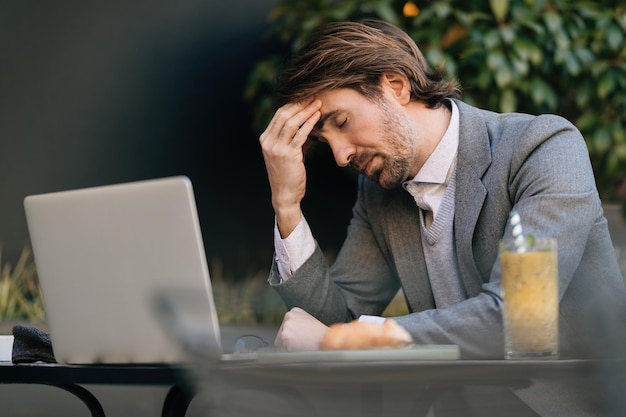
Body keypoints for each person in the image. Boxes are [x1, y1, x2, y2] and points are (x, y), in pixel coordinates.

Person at [258, 19, 625, 360]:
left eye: (342, 122)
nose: (340, 156)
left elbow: (520, 317)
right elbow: (335, 321)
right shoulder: (379, 195)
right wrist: (286, 206)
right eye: (325, 141)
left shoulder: (542, 148)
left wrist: (347, 338)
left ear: (396, 86)